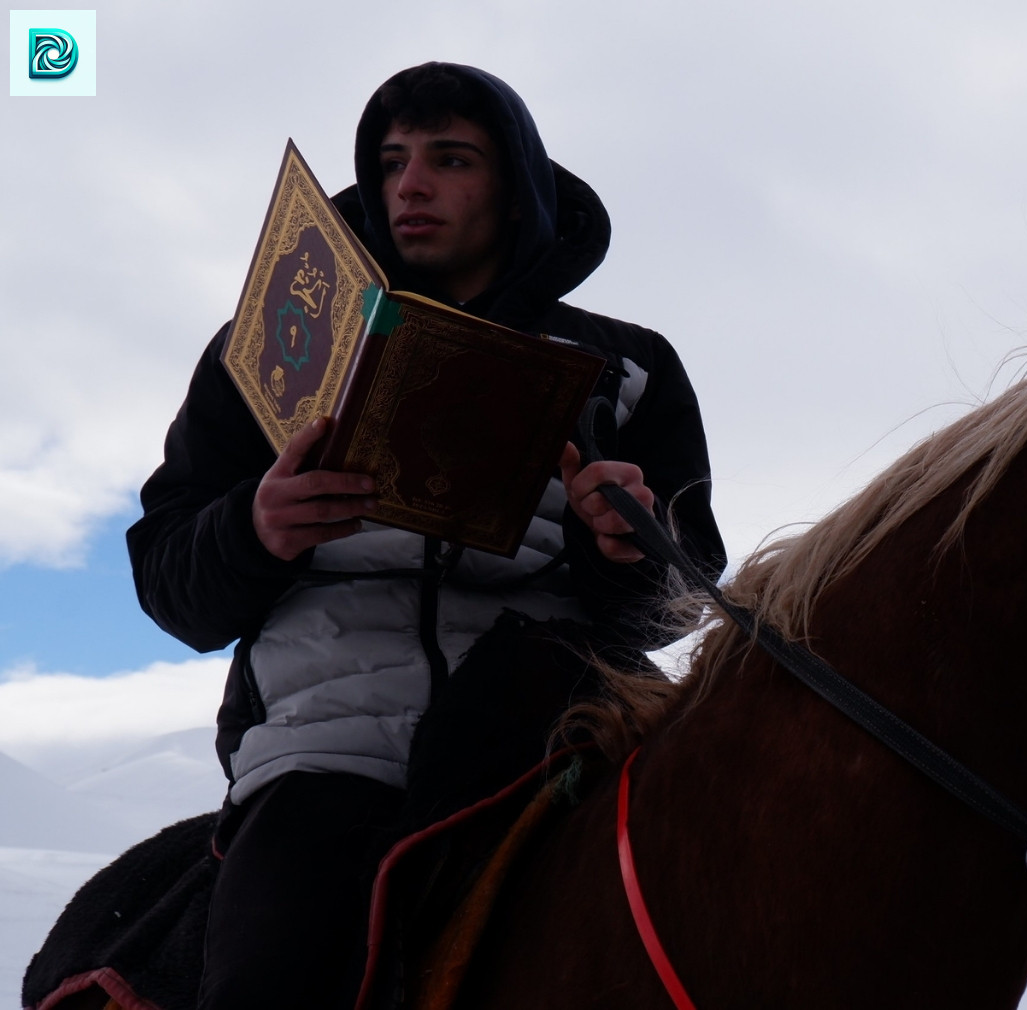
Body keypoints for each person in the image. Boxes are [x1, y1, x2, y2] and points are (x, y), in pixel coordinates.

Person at [126, 62, 725, 1010]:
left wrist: (619, 545)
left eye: (452, 159)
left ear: (514, 184)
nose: (410, 184)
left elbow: (684, 596)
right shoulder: (265, 345)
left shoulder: (628, 367)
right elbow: (168, 582)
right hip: (326, 744)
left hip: (566, 723)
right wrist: (252, 528)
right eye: (393, 160)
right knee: (270, 980)